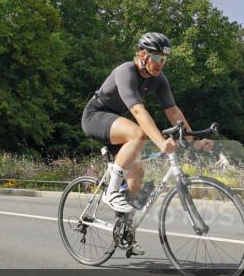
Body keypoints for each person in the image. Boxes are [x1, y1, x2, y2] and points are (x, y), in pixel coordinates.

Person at [81, 32, 212, 257]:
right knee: (138, 134)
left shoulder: (159, 80)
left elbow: (173, 112)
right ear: (142, 54)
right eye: (157, 58)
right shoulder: (125, 72)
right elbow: (138, 111)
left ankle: (125, 232)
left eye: (165, 60)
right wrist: (160, 142)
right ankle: (111, 191)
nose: (161, 64)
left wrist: (194, 141)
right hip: (96, 117)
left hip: (117, 124)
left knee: (137, 174)